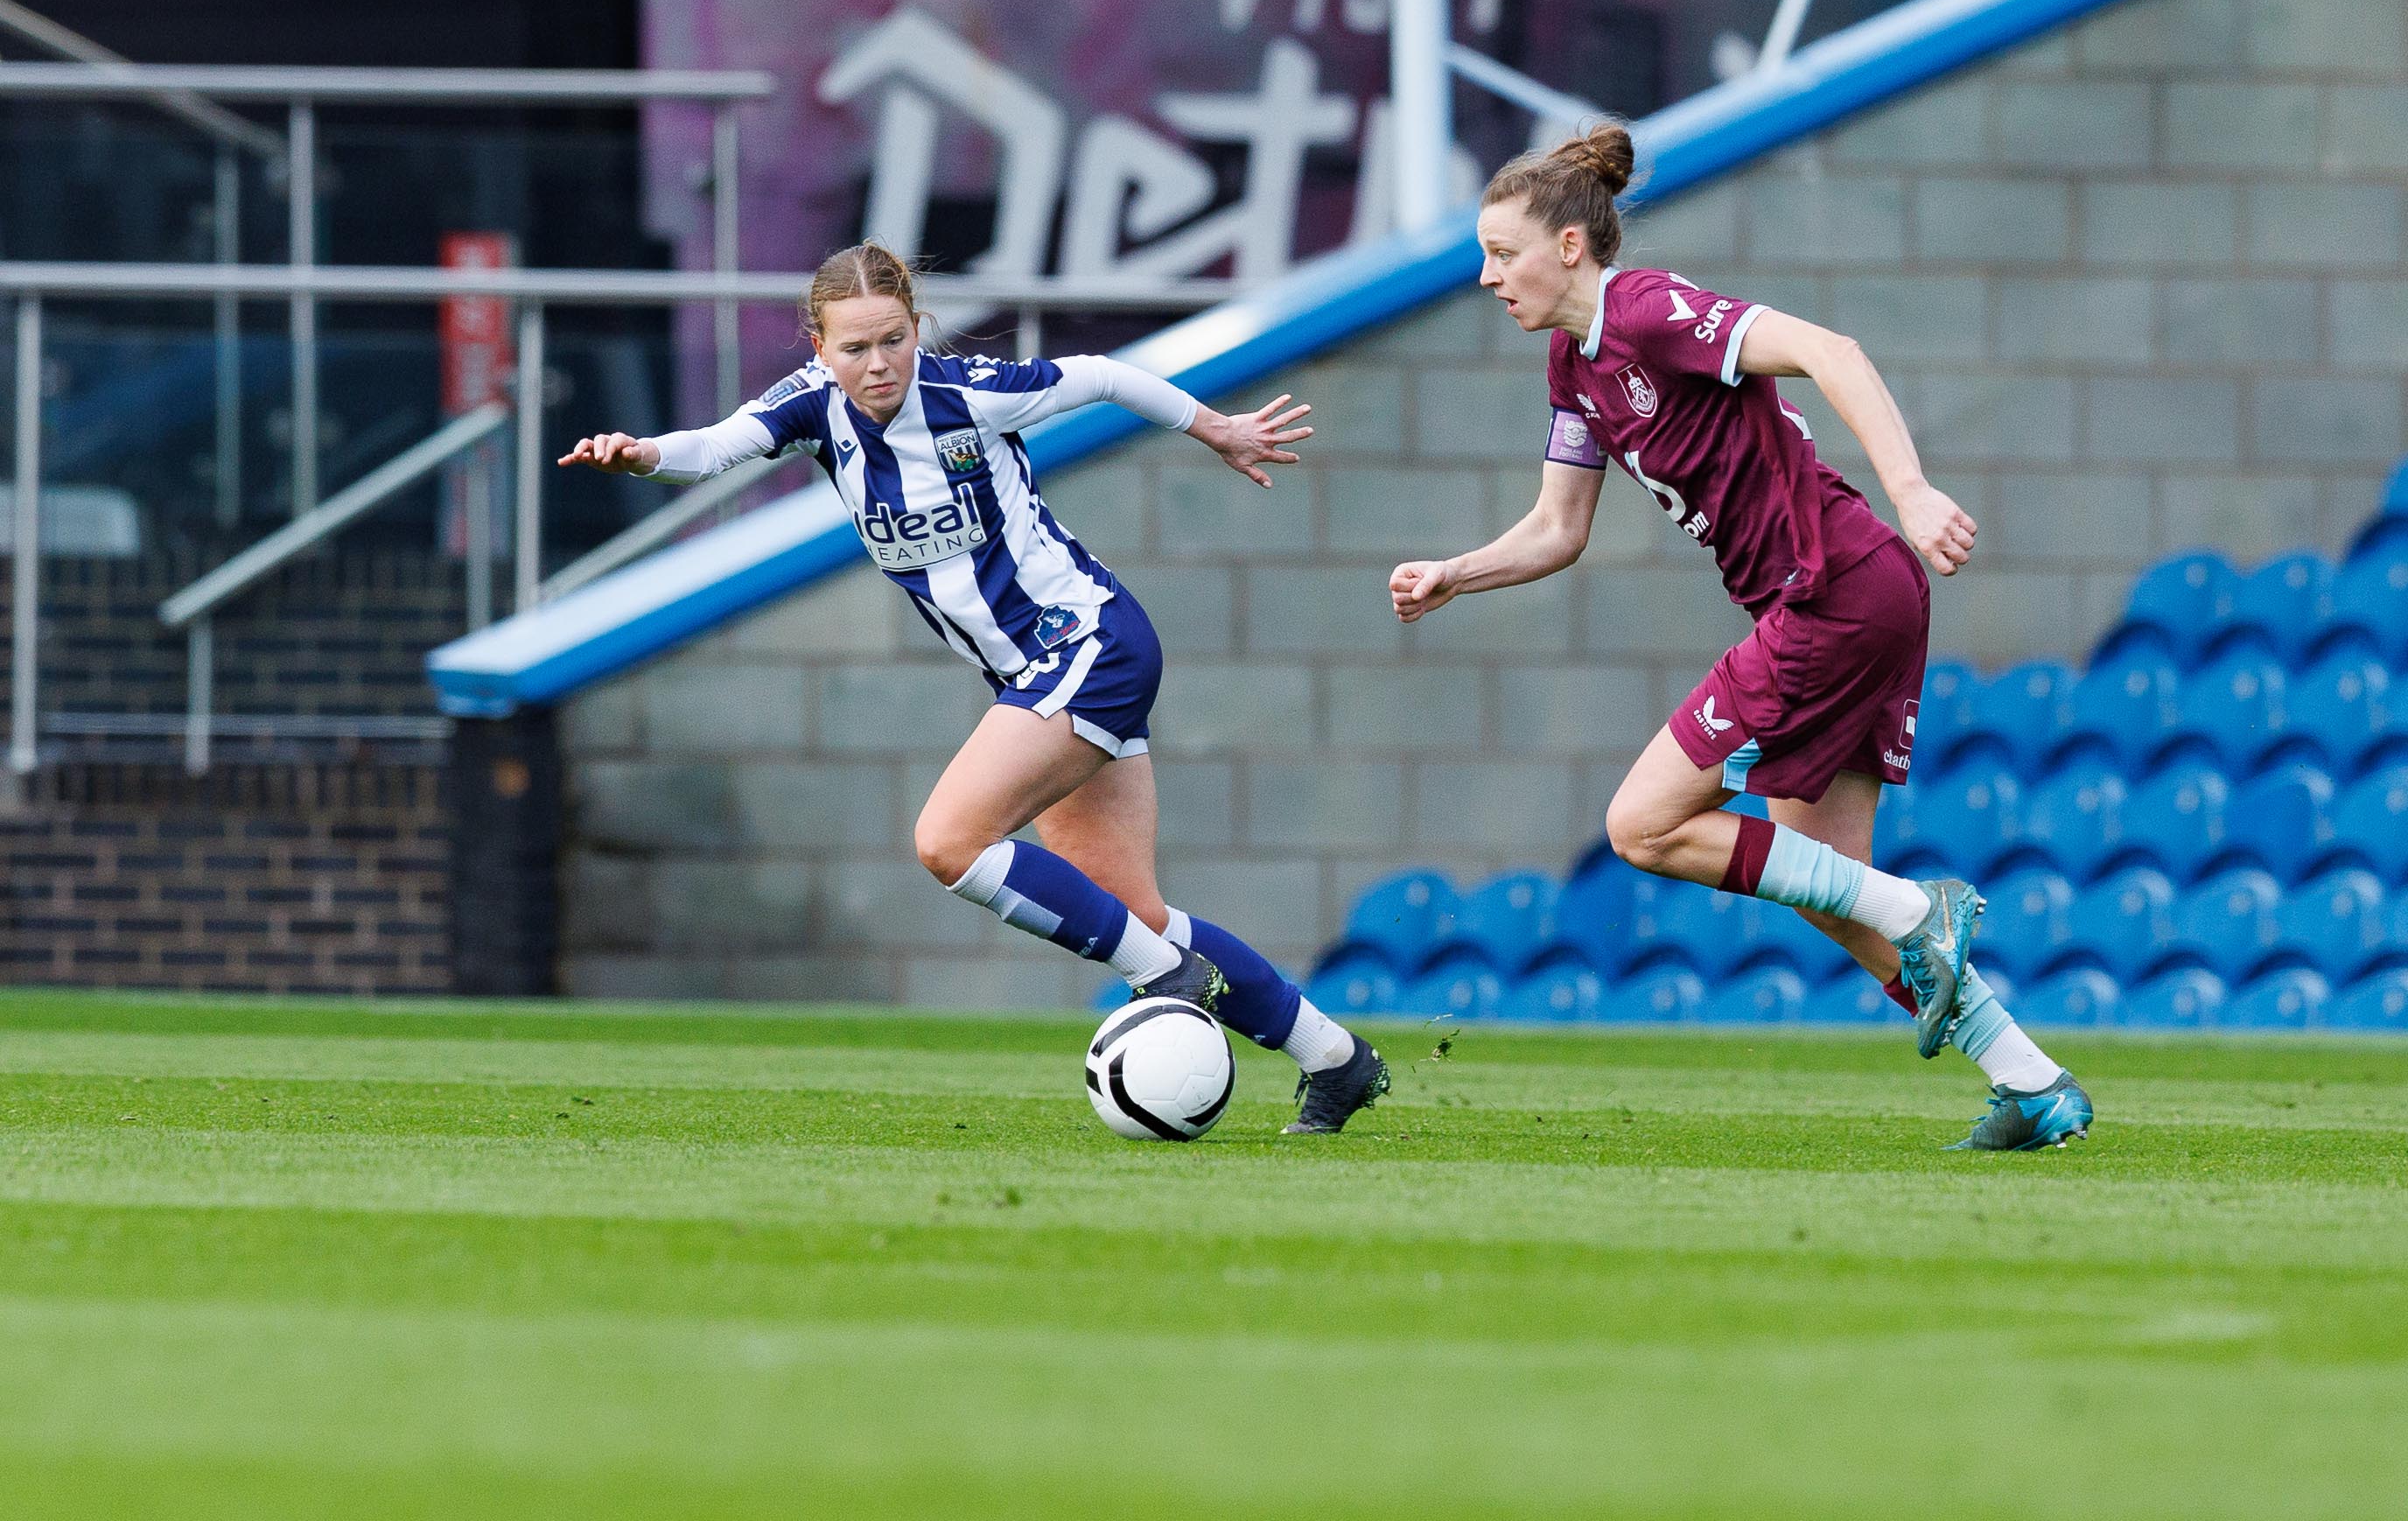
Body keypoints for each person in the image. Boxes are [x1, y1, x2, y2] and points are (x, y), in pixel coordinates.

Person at [560, 240, 1390, 1133]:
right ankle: (1336, 1060)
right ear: (818, 346)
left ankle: (1167, 981)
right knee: (1138, 913)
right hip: (1033, 669)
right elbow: (714, 448)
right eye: (854, 348)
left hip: (1089, 639)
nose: (877, 365)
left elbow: (1106, 375)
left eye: (893, 340)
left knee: (950, 839)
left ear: (918, 328)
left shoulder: (967, 393)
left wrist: (1215, 427)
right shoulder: (811, 408)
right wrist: (640, 453)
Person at [1387, 126, 2091, 1152]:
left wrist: (1913, 488)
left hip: (1836, 589)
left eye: (1505, 252)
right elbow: (1557, 529)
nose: (1488, 276)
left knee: (1644, 825)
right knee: (1819, 877)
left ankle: (1918, 904)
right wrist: (1458, 570)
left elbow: (1828, 350)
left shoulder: (1644, 308)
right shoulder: (1572, 367)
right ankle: (2031, 1083)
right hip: (1845, 596)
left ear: (1573, 247)